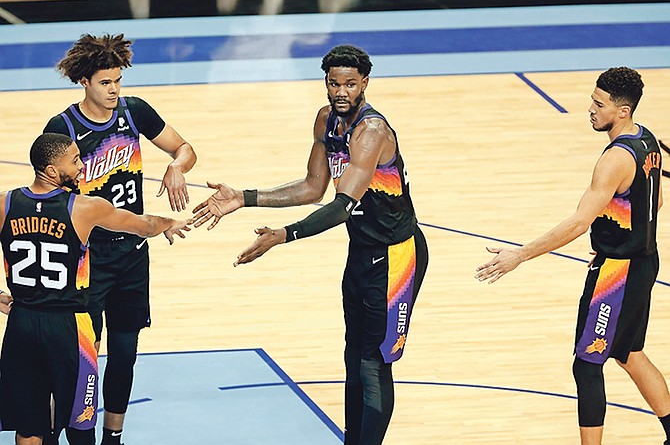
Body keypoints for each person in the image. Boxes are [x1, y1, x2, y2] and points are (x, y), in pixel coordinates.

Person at [191, 44, 429, 445]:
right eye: (333, 83)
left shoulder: (371, 132)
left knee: (373, 362)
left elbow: (341, 205)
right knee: (353, 357)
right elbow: (312, 186)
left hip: (396, 257)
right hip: (363, 252)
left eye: (350, 84)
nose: (340, 92)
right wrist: (245, 197)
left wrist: (285, 234)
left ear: (365, 84)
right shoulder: (326, 121)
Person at [475, 67, 670, 445]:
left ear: (623, 110)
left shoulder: (614, 159)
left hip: (617, 272)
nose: (591, 109)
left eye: (600, 104)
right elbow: (657, 201)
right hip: (645, 261)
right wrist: (623, 234)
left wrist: (520, 255)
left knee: (587, 364)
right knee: (629, 352)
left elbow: (579, 222)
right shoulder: (647, 140)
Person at [42, 33, 197, 445]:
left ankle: (113, 436)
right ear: (85, 83)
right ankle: (68, 431)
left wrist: (178, 166)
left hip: (132, 254)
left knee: (125, 352)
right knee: (81, 355)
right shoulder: (63, 127)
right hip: (87, 260)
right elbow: (49, 191)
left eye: (117, 81)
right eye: (105, 83)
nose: (114, 90)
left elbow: (184, 147)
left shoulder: (135, 112)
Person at [0, 133, 189, 445]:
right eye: (74, 161)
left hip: (22, 323)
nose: (81, 167)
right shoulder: (84, 208)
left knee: (29, 427)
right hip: (71, 325)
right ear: (51, 171)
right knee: (81, 423)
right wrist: (169, 222)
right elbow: (143, 225)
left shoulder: (5, 204)